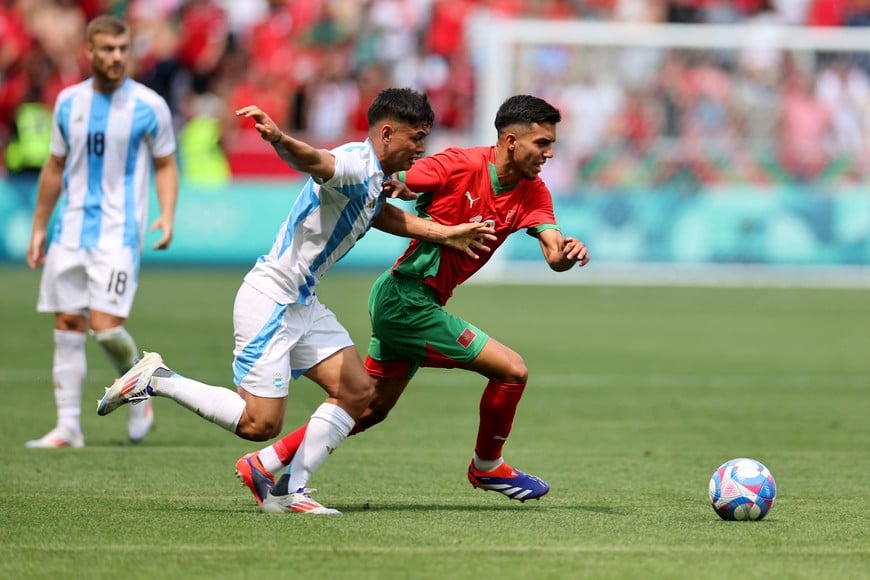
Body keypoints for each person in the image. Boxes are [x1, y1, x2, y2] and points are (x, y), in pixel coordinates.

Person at [96, 88, 496, 514]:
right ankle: (157, 378)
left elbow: (380, 213)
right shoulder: (353, 165)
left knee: (358, 391)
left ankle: (289, 492)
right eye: (416, 138)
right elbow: (315, 161)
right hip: (270, 300)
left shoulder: (374, 178)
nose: (421, 147)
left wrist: (445, 232)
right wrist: (279, 139)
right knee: (259, 424)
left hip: (301, 302)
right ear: (386, 133)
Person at [236, 94, 590, 507]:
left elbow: (552, 253)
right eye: (542, 144)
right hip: (407, 299)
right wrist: (403, 185)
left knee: (367, 407)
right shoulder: (460, 162)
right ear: (511, 141)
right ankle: (487, 465)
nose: (550, 153)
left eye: (551, 144)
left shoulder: (534, 192)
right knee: (512, 370)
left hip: (413, 301)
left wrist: (565, 254)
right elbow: (405, 178)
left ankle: (265, 461)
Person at [25, 15, 178, 449]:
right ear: (88, 52)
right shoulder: (68, 103)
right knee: (68, 322)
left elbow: (166, 163)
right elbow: (54, 167)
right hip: (70, 230)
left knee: (106, 328)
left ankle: (140, 391)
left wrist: (167, 213)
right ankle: (68, 427)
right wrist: (40, 227)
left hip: (118, 235)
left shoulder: (150, 105)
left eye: (122, 48)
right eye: (107, 49)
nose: (116, 57)